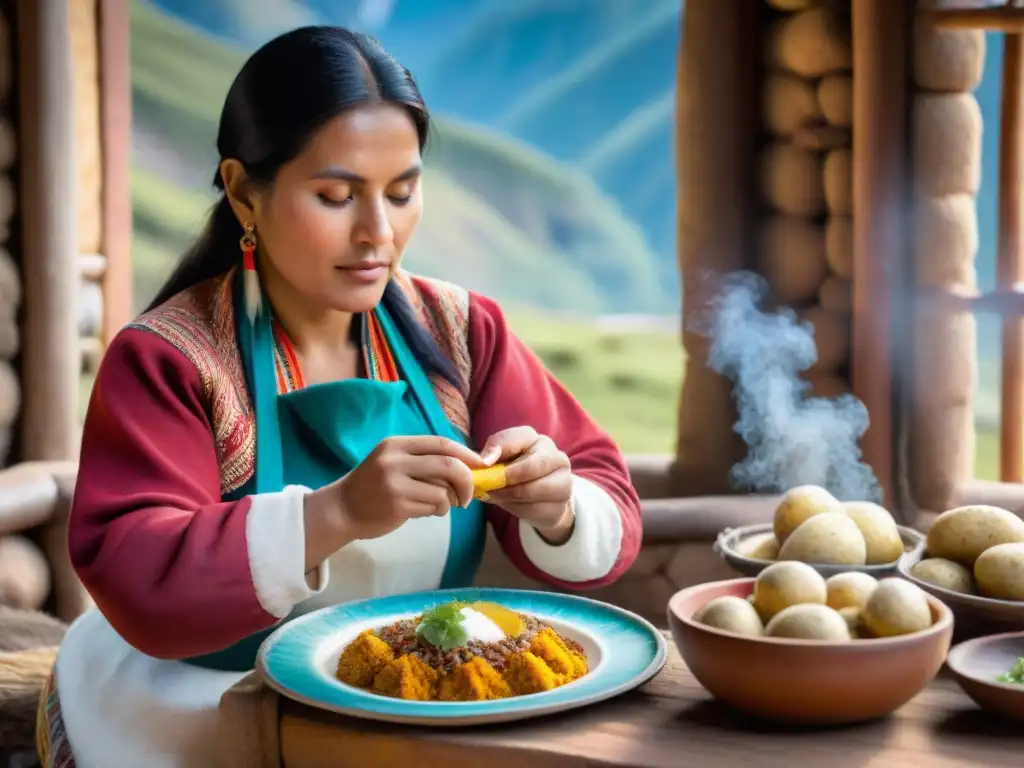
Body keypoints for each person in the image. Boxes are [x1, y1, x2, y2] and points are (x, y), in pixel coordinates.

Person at [38, 27, 641, 768]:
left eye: (402, 192)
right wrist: (337, 514)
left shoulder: (461, 332)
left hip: (407, 703)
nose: (378, 234)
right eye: (336, 196)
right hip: (194, 705)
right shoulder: (170, 359)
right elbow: (137, 574)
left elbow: (603, 489)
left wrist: (557, 504)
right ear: (241, 191)